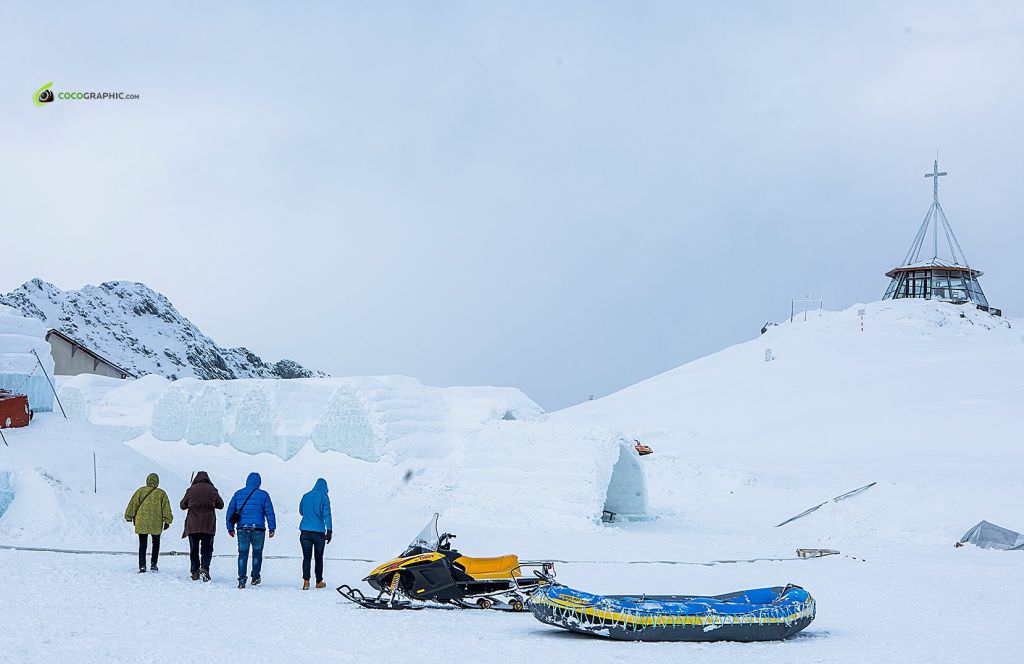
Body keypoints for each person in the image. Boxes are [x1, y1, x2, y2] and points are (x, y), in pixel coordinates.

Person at [226, 472, 276, 589]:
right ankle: (255, 577)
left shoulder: (238, 494)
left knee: (243, 554)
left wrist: (230, 527)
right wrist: (272, 528)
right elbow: (269, 512)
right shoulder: (264, 495)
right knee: (257, 554)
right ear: (259, 482)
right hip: (258, 528)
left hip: (242, 528)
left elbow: (230, 511)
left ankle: (242, 580)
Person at [179, 471, 224, 582]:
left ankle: (195, 572)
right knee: (207, 549)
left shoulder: (191, 490)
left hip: (193, 525)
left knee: (193, 549)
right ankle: (205, 568)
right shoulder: (213, 490)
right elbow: (221, 505)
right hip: (208, 525)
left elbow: (182, 505)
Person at [124, 473, 173, 573]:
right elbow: (166, 508)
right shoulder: (161, 493)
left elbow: (133, 504)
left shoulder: (140, 491)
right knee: (156, 543)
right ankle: (154, 564)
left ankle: (142, 566)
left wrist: (129, 516)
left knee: (142, 544)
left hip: (142, 521)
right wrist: (167, 520)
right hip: (156, 522)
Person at [298, 477, 333, 590]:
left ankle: (306, 582)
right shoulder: (324, 498)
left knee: (306, 558)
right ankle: (319, 582)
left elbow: (301, 511)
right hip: (319, 533)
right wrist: (330, 530)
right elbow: (327, 515)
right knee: (319, 558)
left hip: (305, 532)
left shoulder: (306, 495)